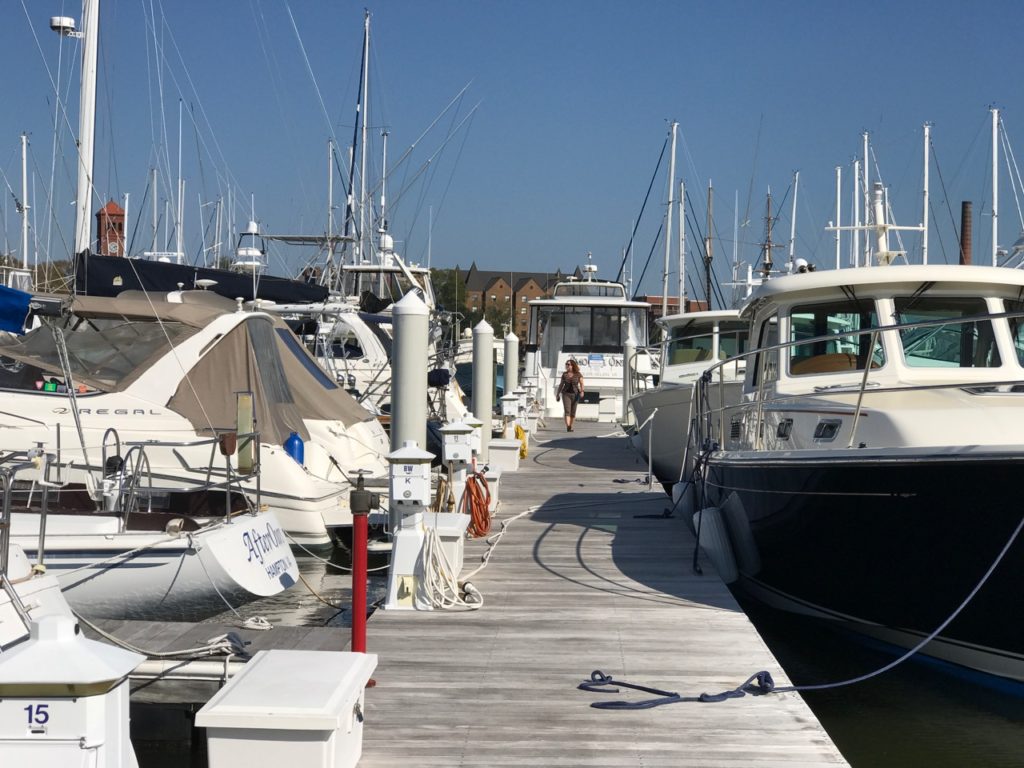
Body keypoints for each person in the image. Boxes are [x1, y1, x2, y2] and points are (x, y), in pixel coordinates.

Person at [555, 359, 584, 432]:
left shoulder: (578, 374)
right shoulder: (564, 374)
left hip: (575, 394)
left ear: (572, 365)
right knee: (567, 411)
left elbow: (581, 383)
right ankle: (568, 426)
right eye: (566, 364)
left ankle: (570, 426)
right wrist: (558, 394)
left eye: (568, 364)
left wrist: (582, 391)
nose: (567, 365)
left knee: (573, 412)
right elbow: (561, 384)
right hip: (566, 394)